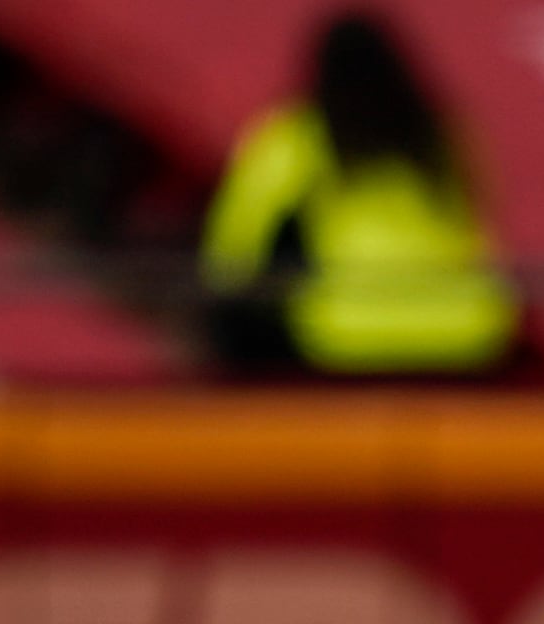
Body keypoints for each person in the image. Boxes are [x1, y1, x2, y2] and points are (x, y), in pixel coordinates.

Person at [200, 10, 520, 379]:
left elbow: (232, 253)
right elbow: (487, 237)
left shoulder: (295, 137)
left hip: (345, 334)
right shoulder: (446, 135)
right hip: (467, 333)